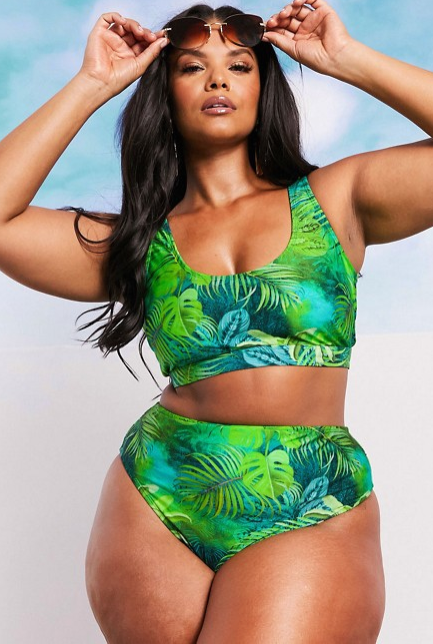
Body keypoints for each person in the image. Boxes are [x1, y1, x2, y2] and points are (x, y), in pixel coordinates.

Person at [1, 0, 432, 641]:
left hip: (310, 495)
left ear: (263, 85)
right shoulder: (138, 242)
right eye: (191, 66)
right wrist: (93, 83)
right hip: (158, 493)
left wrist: (349, 59)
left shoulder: (339, 198)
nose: (217, 79)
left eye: (239, 64)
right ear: (165, 91)